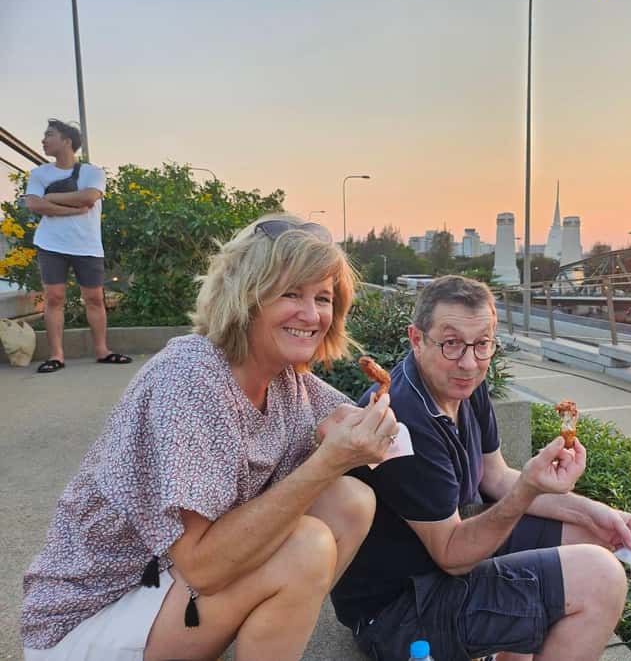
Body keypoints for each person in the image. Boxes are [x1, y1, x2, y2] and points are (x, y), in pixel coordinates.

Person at [21, 214, 399, 660]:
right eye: (291, 293)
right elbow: (201, 568)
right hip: (91, 618)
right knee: (307, 547)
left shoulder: (287, 380)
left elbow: (381, 432)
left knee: (351, 503)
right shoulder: (190, 378)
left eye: (323, 297)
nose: (312, 314)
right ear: (247, 296)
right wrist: (326, 463)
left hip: (164, 590)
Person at [332, 275, 631, 661]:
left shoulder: (464, 382)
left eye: (482, 344)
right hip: (398, 612)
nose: (469, 362)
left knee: (591, 533)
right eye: (451, 344)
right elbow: (451, 552)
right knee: (600, 577)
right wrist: (528, 488)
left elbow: (496, 477)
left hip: (444, 566)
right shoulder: (402, 421)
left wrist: (599, 512)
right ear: (416, 340)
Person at [23, 119, 131, 373]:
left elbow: (89, 197)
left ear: (67, 141)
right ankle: (57, 356)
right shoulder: (39, 174)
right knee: (54, 299)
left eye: (49, 135)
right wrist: (71, 210)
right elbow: (34, 205)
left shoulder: (92, 172)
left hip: (87, 245)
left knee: (94, 298)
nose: (43, 140)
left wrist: (51, 197)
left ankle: (102, 350)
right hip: (51, 244)